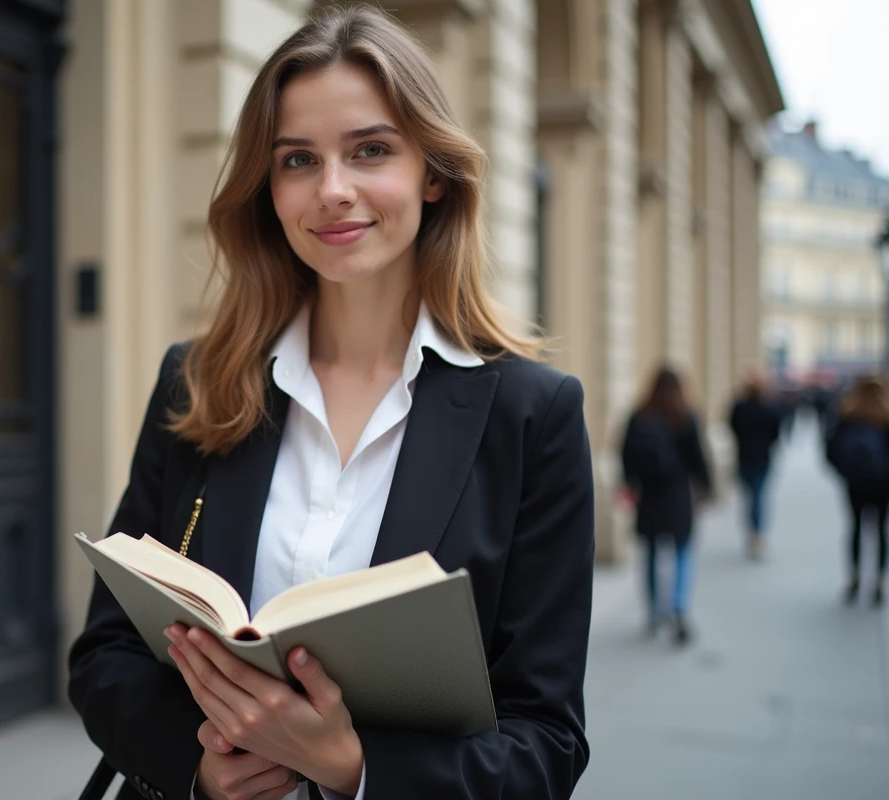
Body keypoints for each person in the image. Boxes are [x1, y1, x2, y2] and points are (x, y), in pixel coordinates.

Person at [67, 7, 594, 800]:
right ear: (269, 189)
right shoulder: (198, 381)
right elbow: (104, 657)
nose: (333, 190)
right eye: (298, 160)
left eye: (370, 150)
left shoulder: (532, 416)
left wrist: (354, 768)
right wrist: (199, 764)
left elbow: (546, 743)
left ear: (433, 173)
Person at [621, 367, 713, 646]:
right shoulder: (685, 416)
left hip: (649, 495)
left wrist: (629, 484)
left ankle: (653, 612)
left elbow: (625, 454)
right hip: (677, 494)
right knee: (682, 551)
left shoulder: (640, 416)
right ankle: (678, 607)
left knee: (650, 553)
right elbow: (698, 456)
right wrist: (706, 485)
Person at [824, 374, 889, 607]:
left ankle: (854, 577)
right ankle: (879, 581)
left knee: (855, 527)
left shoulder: (847, 414)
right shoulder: (885, 415)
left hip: (855, 481)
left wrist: (844, 472)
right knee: (880, 529)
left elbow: (831, 448)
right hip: (883, 482)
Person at [728, 367, 782, 559]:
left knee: (750, 496)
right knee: (759, 495)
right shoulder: (769, 407)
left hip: (744, 456)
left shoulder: (739, 407)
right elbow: (776, 433)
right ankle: (757, 534)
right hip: (762, 457)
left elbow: (733, 427)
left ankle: (753, 533)